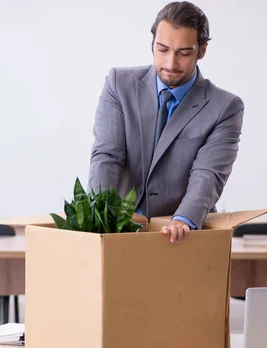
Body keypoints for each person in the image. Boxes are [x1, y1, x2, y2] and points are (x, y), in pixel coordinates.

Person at [88, 1, 244, 243]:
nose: (171, 64)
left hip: (183, 236)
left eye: (184, 53)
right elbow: (107, 156)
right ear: (152, 43)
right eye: (162, 49)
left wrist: (184, 219)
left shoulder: (224, 107)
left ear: (202, 51)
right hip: (118, 233)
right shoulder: (119, 85)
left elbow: (208, 174)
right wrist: (99, 215)